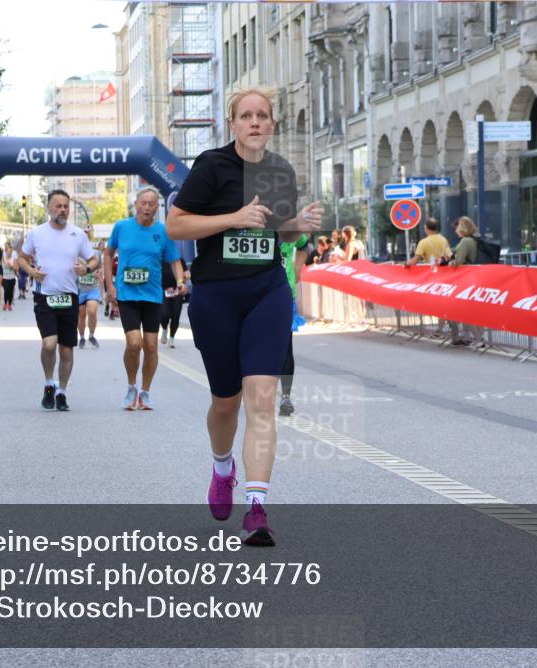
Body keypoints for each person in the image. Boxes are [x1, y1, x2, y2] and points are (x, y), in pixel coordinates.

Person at [167, 87, 323, 546]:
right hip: (216, 294)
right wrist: (232, 217)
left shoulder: (280, 170)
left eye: (263, 116)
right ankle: (222, 468)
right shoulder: (211, 166)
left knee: (261, 396)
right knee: (226, 401)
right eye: (246, 116)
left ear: (272, 124)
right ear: (232, 124)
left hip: (266, 291)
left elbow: (279, 233)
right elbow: (176, 225)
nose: (255, 122)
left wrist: (298, 224)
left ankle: (256, 507)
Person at [104, 186, 185, 410]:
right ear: (136, 204)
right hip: (127, 294)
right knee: (134, 343)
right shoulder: (122, 227)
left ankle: (145, 391)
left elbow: (175, 260)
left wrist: (180, 282)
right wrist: (110, 284)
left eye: (151, 204)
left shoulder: (163, 232)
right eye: (143, 203)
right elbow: (108, 253)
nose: (147, 207)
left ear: (156, 207)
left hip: (152, 296)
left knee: (150, 346)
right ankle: (131, 387)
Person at [17, 189, 97, 412]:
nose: (63, 210)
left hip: (69, 296)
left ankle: (61, 392)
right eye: (58, 206)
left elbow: (93, 259)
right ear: (49, 208)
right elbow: (21, 259)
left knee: (66, 350)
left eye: (66, 206)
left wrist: (86, 268)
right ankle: (48, 383)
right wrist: (32, 272)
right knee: (49, 343)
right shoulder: (37, 233)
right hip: (45, 296)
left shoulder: (78, 234)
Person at [278, 233, 309, 417]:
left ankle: (286, 396)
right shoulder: (252, 222)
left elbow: (305, 244)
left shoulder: (288, 227)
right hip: (255, 295)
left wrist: (297, 268)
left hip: (284, 294)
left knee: (285, 348)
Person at [449, 216, 480, 346]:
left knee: (462, 310)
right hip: (474, 279)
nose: (456, 231)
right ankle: (468, 337)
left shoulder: (465, 241)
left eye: (457, 228)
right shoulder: (475, 239)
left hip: (464, 280)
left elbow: (458, 262)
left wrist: (449, 262)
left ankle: (477, 338)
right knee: (468, 309)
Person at [77, 228, 103, 348]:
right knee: (81, 315)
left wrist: (99, 272)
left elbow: (101, 267)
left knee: (92, 311)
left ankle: (91, 335)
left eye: (87, 238)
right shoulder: (75, 253)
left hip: (93, 287)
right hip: (79, 289)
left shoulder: (96, 254)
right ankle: (82, 337)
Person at [160, 258, 189, 348]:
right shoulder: (159, 259)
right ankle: (164, 329)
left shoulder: (179, 260)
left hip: (177, 291)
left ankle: (172, 338)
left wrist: (186, 278)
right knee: (164, 314)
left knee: (175, 315)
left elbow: (187, 274)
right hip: (163, 290)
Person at [2, 240, 17, 311]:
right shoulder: (3, 257)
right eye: (8, 251)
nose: (9, 252)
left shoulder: (13, 259)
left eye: (10, 251)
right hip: (4, 277)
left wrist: (12, 266)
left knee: (10, 291)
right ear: (6, 251)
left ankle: (10, 305)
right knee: (6, 290)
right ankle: (5, 303)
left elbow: (16, 268)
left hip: (12, 277)